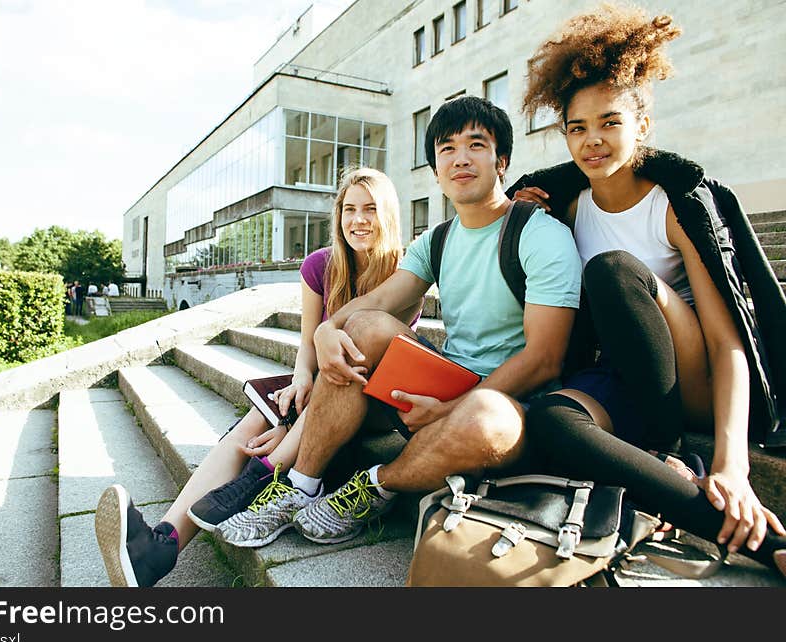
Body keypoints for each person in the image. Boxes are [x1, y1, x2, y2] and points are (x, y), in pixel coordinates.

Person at [214, 95, 582, 548]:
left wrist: (449, 410)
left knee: (483, 418)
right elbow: (381, 301)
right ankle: (299, 487)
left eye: (476, 145)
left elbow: (544, 360)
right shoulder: (439, 240)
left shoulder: (539, 234)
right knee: (363, 327)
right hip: (448, 378)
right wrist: (328, 330)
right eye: (446, 148)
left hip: (510, 400)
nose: (460, 158)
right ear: (435, 169)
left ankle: (374, 487)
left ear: (501, 160)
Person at [509, 4, 786, 576]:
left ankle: (668, 450)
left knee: (613, 269)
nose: (592, 141)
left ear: (642, 126)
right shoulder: (562, 207)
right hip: (624, 376)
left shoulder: (674, 207)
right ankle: (764, 546)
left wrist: (732, 464)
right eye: (577, 128)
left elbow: (726, 338)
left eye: (610, 122)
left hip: (693, 380)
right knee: (551, 422)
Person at [94, 167, 421, 586]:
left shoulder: (405, 274)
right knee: (253, 423)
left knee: (317, 389)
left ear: (389, 214)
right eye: (350, 209)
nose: (359, 220)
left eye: (371, 209)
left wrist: (290, 424)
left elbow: (366, 361)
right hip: (318, 389)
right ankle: (159, 548)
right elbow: (308, 344)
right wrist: (300, 380)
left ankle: (262, 474)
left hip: (364, 399)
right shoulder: (321, 266)